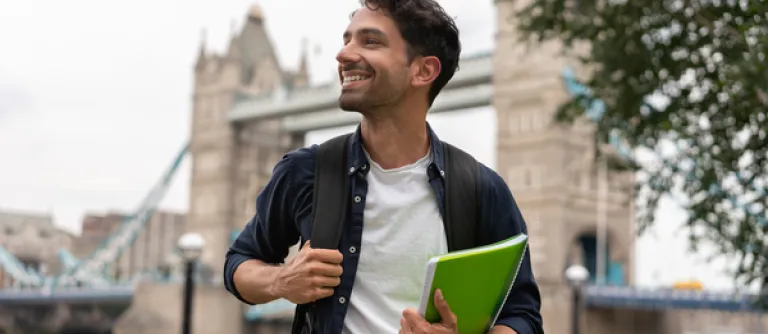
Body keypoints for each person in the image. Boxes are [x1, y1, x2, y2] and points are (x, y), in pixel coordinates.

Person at [223, 0, 543, 333]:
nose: (343, 54)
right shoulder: (306, 172)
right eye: (347, 40)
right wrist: (281, 280)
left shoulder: (481, 188)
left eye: (370, 41)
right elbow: (238, 264)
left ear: (423, 71)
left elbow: (523, 316)